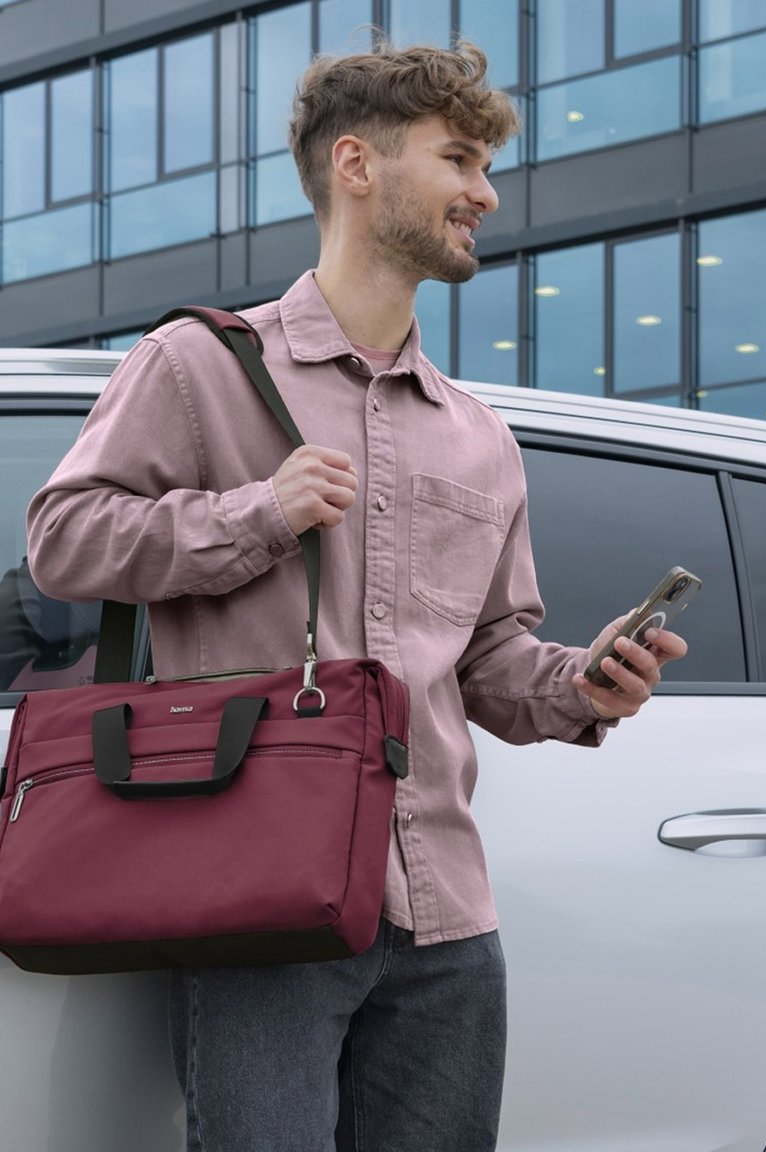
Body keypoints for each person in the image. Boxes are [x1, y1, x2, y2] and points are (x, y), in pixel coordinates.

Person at [26, 40, 688, 1152]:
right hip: (262, 903)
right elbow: (62, 541)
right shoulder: (197, 364)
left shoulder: (479, 436)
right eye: (460, 158)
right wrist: (258, 514)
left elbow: (487, 660)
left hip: (447, 919)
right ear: (356, 164)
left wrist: (586, 684)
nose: (486, 193)